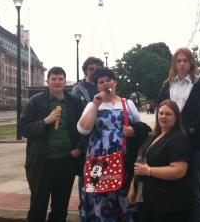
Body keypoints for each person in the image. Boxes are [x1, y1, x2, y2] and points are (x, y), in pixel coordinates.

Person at [20, 66, 86, 222]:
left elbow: (85, 129)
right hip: (41, 162)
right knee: (38, 206)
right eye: (53, 79)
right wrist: (45, 121)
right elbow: (23, 128)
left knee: (60, 208)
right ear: (47, 81)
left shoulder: (74, 102)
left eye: (60, 79)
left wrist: (78, 148)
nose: (57, 82)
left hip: (66, 161)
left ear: (65, 81)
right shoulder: (36, 102)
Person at [77, 67, 142, 222]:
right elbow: (83, 129)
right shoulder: (91, 106)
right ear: (97, 86)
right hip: (98, 162)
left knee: (124, 196)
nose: (106, 84)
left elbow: (141, 128)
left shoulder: (127, 104)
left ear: (115, 82)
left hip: (123, 159)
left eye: (108, 80)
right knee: (99, 197)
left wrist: (132, 131)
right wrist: (95, 105)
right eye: (101, 82)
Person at [156, 47, 200, 222]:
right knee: (173, 188)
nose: (182, 64)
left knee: (196, 190)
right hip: (170, 146)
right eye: (178, 60)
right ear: (174, 63)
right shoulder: (167, 86)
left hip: (196, 146)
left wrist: (182, 133)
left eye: (185, 60)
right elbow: (160, 111)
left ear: (191, 63)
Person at [127, 99, 192, 222]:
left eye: (168, 114)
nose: (163, 117)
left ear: (176, 117)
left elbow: (179, 170)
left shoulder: (179, 139)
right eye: (161, 113)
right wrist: (132, 187)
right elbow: (140, 164)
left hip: (166, 203)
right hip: (146, 199)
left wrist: (149, 171)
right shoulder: (153, 136)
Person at [70, 56, 104, 217]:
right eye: (91, 69)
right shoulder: (79, 89)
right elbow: (76, 117)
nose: (94, 71)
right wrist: (78, 145)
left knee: (98, 174)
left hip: (102, 141)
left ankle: (98, 206)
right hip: (85, 140)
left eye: (97, 68)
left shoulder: (103, 87)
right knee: (86, 176)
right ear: (86, 71)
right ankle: (85, 208)